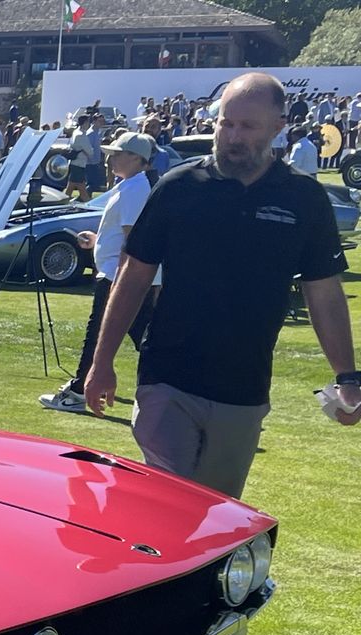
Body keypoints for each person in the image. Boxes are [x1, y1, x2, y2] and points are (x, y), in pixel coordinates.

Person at [83, 73, 361, 504]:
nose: (232, 136)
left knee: (215, 517)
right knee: (164, 505)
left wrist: (346, 375)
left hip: (243, 388)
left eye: (247, 126)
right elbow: (133, 275)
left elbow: (323, 291)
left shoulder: (302, 198)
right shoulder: (179, 188)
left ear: (278, 126)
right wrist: (101, 363)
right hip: (167, 377)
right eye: (225, 124)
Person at [40, 132, 159, 413]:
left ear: (137, 158)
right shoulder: (128, 186)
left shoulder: (134, 189)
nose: (111, 158)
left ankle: (79, 391)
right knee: (145, 336)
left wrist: (120, 278)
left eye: (117, 153)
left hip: (118, 277)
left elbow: (133, 240)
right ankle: (175, 387)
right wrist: (96, 241)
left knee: (100, 334)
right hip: (117, 274)